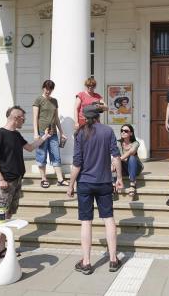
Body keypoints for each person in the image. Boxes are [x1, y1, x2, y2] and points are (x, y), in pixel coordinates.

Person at [0, 106, 51, 270]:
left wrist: (45, 136)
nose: (24, 120)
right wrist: (0, 178)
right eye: (23, 118)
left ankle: (1, 248)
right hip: (5, 182)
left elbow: (30, 147)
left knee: (7, 216)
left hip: (17, 180)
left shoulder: (16, 135)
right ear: (15, 117)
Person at [67, 105, 124, 275]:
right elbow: (116, 157)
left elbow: (77, 163)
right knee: (108, 219)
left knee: (86, 222)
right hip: (104, 181)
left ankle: (86, 262)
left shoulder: (80, 133)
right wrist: (119, 179)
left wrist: (70, 184)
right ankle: (113, 260)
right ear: (98, 115)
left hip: (84, 182)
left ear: (84, 117)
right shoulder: (107, 131)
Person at [33, 79, 68, 188]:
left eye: (50, 89)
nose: (48, 91)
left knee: (56, 155)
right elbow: (35, 117)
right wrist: (36, 133)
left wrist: (62, 132)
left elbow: (56, 118)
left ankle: (60, 179)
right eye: (46, 88)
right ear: (43, 88)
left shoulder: (54, 101)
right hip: (42, 132)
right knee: (42, 154)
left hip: (53, 132)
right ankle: (43, 179)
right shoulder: (38, 100)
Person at [112, 124, 143, 198]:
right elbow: (114, 155)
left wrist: (117, 161)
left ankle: (132, 184)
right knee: (112, 161)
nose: (123, 132)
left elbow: (130, 152)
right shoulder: (118, 143)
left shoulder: (135, 143)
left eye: (126, 131)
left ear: (131, 133)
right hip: (124, 168)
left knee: (132, 157)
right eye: (122, 131)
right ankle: (113, 186)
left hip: (136, 168)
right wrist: (114, 163)